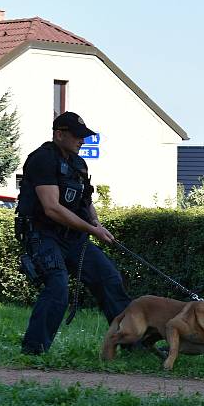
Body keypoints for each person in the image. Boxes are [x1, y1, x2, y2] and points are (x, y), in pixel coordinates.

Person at [15, 111, 132, 355]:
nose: (82, 140)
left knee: (109, 278)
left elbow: (86, 201)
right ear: (59, 134)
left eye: (84, 136)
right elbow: (52, 208)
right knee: (57, 286)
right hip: (44, 235)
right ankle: (34, 351)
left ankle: (134, 343)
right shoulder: (41, 159)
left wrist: (97, 225)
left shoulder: (78, 163)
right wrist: (92, 230)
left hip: (74, 238)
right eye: (77, 136)